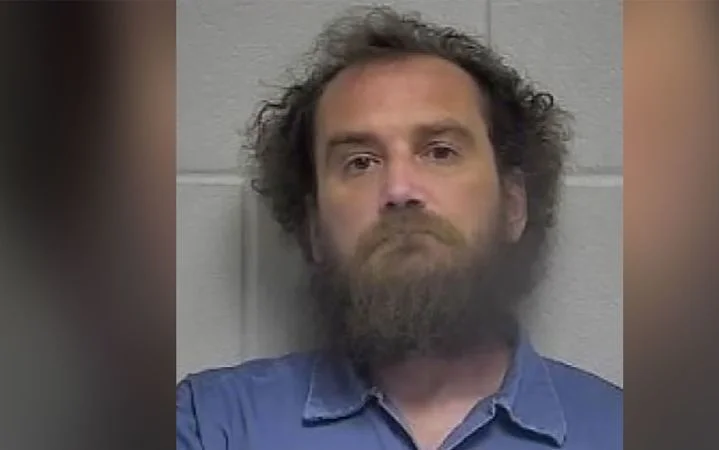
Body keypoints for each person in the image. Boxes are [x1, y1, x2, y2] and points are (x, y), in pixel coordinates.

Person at [177, 6, 621, 450]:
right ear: (313, 227)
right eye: (360, 162)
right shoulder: (211, 425)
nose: (399, 190)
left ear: (512, 205)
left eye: (440, 152)